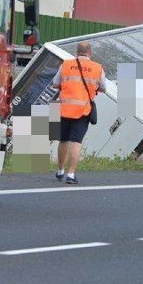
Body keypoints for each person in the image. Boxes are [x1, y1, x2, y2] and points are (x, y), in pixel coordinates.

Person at [52, 41, 105, 184]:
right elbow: (103, 88)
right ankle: (70, 175)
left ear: (77, 52)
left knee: (63, 140)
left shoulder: (66, 64)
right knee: (76, 142)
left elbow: (55, 83)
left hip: (64, 109)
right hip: (83, 110)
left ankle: (60, 171)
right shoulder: (97, 68)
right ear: (90, 53)